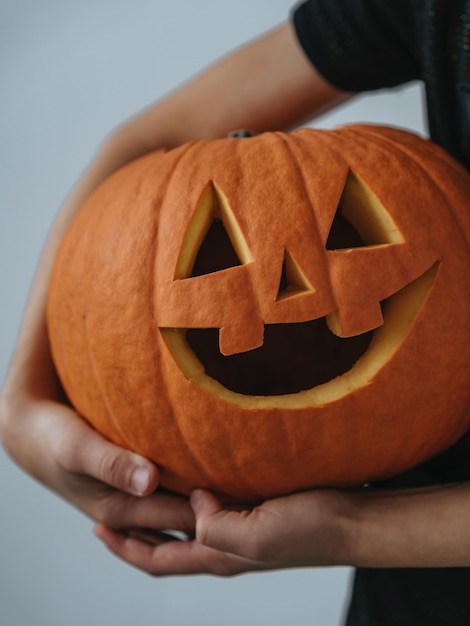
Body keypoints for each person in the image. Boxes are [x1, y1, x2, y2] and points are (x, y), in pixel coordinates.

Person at [2, 0, 470, 623]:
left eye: (338, 236)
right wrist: (21, 406)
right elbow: (145, 143)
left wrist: (353, 530)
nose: (290, 290)